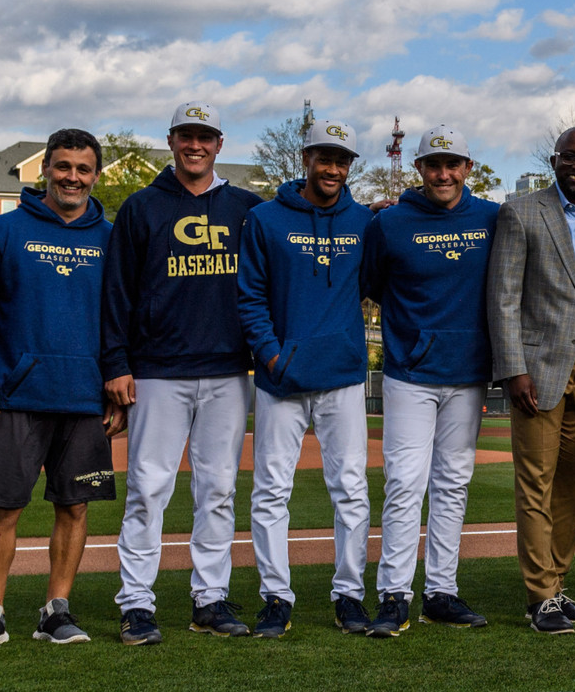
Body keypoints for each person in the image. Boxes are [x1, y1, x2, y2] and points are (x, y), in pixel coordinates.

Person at [100, 101, 266, 644]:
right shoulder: (141, 207)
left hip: (225, 372)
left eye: (206, 136)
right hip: (157, 372)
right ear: (171, 141)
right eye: (186, 136)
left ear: (220, 143)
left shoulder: (247, 208)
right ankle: (136, 603)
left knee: (217, 490)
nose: (196, 145)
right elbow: (116, 294)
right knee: (148, 489)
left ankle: (210, 599)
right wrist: (117, 364)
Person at [0, 128, 115, 652]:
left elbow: (124, 320)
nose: (72, 177)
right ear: (45, 169)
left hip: (86, 398)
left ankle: (55, 610)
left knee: (76, 506)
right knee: (3, 508)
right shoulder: (2, 234)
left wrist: (117, 382)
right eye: (63, 166)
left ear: (95, 175)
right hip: (16, 397)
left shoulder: (112, 240)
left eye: (83, 168)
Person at [237, 118, 376, 639]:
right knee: (272, 490)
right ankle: (276, 595)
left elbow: (381, 279)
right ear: (306, 160)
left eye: (342, 160)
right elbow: (248, 295)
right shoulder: (266, 219)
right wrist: (271, 356)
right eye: (324, 157)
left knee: (350, 490)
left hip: (341, 376)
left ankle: (348, 594)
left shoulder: (364, 221)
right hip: (281, 379)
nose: (333, 168)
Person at [488, 125, 575, 634]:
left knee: (572, 488)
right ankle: (539, 596)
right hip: (537, 374)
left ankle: (557, 584)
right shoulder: (521, 212)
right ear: (554, 160)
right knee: (535, 485)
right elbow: (502, 298)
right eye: (570, 156)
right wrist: (513, 368)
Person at [362, 125, 499, 635]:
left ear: (468, 167)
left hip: (467, 374)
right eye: (433, 164)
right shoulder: (390, 223)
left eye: (453, 163)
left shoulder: (491, 217)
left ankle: (442, 591)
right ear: (418, 169)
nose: (443, 173)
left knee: (452, 485)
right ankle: (395, 592)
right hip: (409, 373)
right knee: (404, 483)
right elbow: (373, 283)